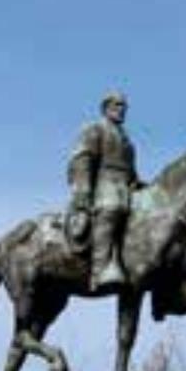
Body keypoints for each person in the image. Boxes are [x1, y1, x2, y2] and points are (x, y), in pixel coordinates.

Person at [67, 91, 142, 291]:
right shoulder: (95, 129)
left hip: (125, 186)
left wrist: (139, 184)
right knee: (112, 208)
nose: (122, 109)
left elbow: (131, 171)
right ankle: (100, 270)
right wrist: (83, 192)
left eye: (124, 106)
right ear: (106, 107)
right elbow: (82, 159)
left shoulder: (127, 140)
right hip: (103, 184)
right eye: (117, 105)